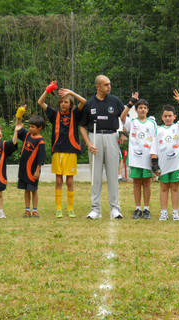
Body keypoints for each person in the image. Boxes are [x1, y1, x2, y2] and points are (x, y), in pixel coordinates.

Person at [38, 82, 86, 218]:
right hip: (58, 151)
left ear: (70, 105)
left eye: (66, 102)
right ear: (59, 105)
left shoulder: (75, 115)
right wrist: (47, 91)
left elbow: (83, 101)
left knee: (69, 181)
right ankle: (58, 208)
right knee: (59, 181)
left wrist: (70, 92)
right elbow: (40, 102)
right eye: (62, 102)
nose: (64, 104)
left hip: (71, 152)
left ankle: (70, 208)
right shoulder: (54, 115)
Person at [80, 75, 125, 219]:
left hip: (112, 136)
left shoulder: (115, 101)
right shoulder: (89, 103)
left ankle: (115, 209)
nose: (109, 87)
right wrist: (88, 143)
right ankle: (95, 210)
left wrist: (123, 133)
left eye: (109, 84)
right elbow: (82, 126)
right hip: (95, 137)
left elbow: (123, 118)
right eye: (105, 84)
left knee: (113, 175)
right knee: (96, 176)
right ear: (97, 87)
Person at [150, 89, 179, 221]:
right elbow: (153, 147)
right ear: (162, 117)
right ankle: (164, 212)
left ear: (174, 117)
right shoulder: (158, 129)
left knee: (175, 188)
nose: (167, 118)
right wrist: (154, 163)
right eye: (165, 116)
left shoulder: (178, 126)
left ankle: (175, 212)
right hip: (163, 164)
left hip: (176, 163)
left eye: (170, 116)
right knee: (164, 188)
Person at [121, 95, 156, 219]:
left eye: (145, 108)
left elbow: (155, 141)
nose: (142, 110)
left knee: (146, 183)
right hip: (135, 158)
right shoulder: (132, 122)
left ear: (147, 110)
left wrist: (154, 158)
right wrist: (131, 103)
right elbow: (122, 117)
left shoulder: (152, 123)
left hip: (147, 158)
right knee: (136, 183)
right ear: (136, 110)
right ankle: (137, 209)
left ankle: (146, 209)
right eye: (140, 107)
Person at [15, 105, 46, 218]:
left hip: (33, 170)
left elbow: (41, 158)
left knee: (33, 190)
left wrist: (37, 171)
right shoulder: (27, 135)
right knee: (26, 190)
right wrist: (19, 115)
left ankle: (35, 210)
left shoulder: (40, 141)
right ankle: (27, 210)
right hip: (23, 169)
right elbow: (18, 127)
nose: (30, 129)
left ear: (40, 128)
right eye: (30, 126)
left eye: (33, 127)